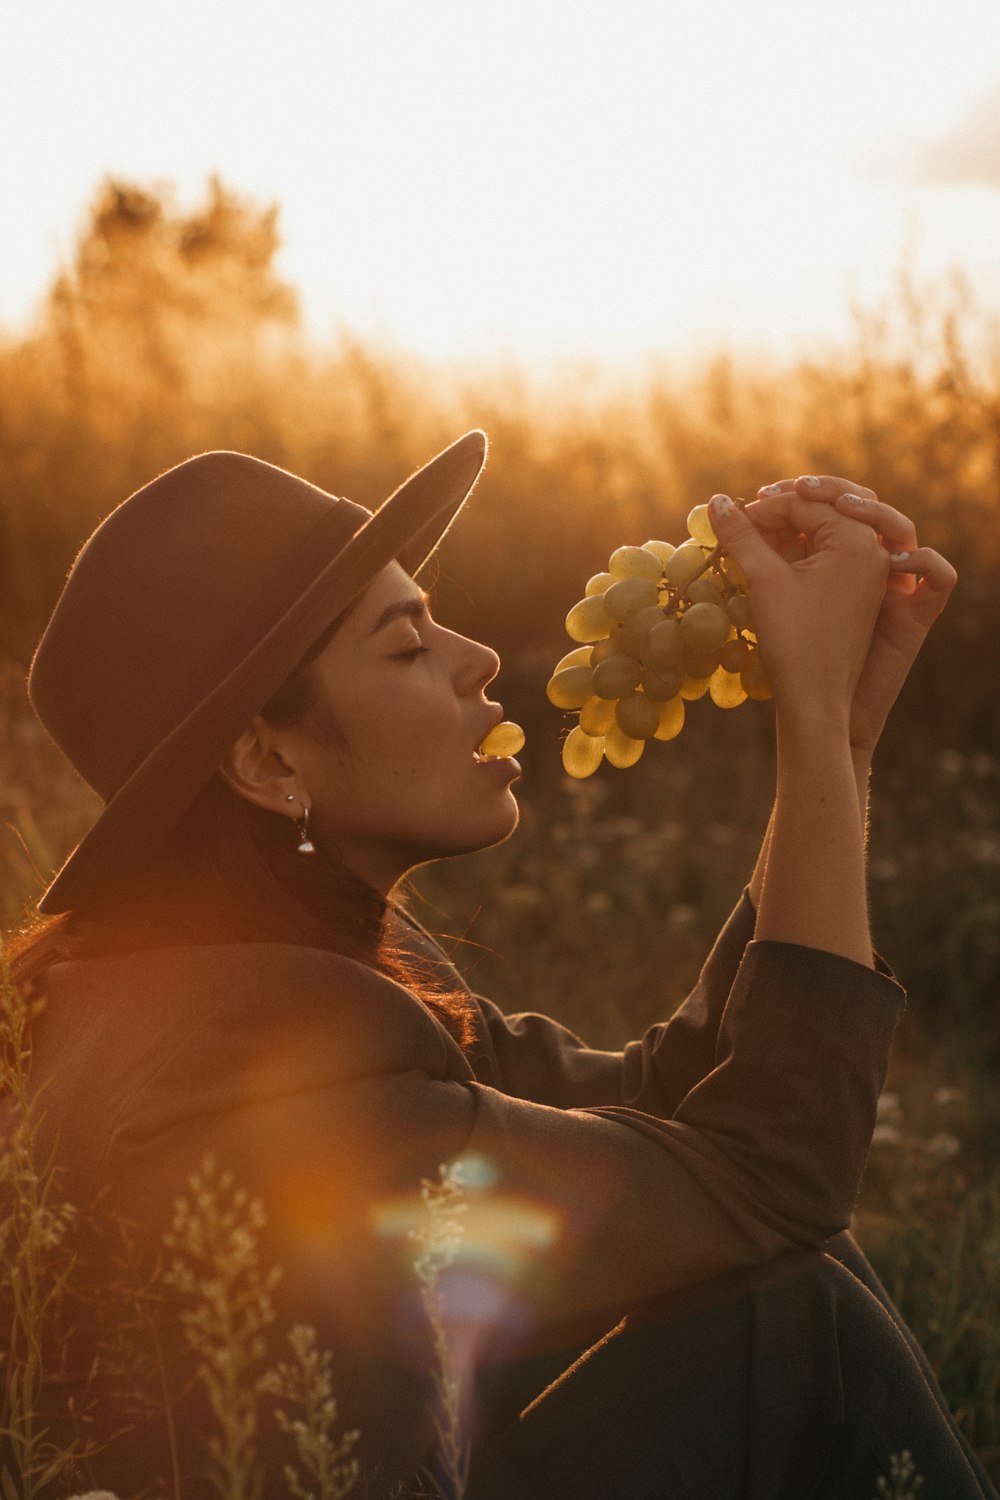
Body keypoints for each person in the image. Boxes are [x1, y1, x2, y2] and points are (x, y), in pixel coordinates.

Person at [3, 432, 993, 1499]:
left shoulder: (247, 979)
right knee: (796, 1322)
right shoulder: (242, 1073)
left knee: (777, 1279)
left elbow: (682, 1116)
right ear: (266, 759)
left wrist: (841, 740)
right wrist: (809, 731)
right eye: (405, 643)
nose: (475, 656)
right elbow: (771, 1171)